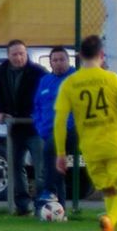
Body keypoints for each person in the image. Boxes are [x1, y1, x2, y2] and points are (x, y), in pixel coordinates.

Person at [54, 36, 117, 231]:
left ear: (79, 56)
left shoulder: (69, 84)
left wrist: (60, 153)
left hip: (91, 148)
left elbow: (59, 121)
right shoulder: (112, 79)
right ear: (102, 56)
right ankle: (110, 220)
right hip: (115, 143)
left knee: (109, 192)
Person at [0, 39, 48, 215]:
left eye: (21, 54)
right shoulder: (2, 71)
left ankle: (42, 205)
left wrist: (37, 115)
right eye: (14, 54)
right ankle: (23, 206)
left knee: (40, 169)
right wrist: (0, 111)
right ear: (8, 55)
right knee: (15, 167)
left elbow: (45, 97)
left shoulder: (38, 72)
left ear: (27, 54)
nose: (18, 57)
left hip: (35, 129)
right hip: (14, 129)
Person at [32, 46, 77, 205]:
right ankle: (58, 208)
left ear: (68, 60)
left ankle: (48, 191)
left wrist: (67, 126)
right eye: (55, 60)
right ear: (50, 62)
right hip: (47, 132)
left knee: (49, 154)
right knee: (55, 167)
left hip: (69, 131)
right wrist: (40, 127)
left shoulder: (75, 78)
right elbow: (36, 106)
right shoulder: (45, 81)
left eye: (62, 59)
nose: (58, 63)